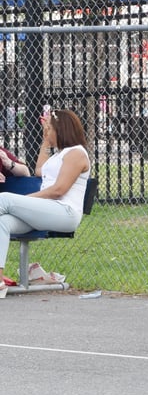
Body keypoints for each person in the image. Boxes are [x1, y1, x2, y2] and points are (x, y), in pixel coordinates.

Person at [0, 109, 91, 298]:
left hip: (64, 212)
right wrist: (46, 141)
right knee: (4, 221)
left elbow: (59, 190)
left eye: (49, 129)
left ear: (61, 129)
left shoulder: (76, 153)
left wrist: (26, 200)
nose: (46, 132)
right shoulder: (60, 154)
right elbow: (40, 170)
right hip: (47, 210)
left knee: (4, 199)